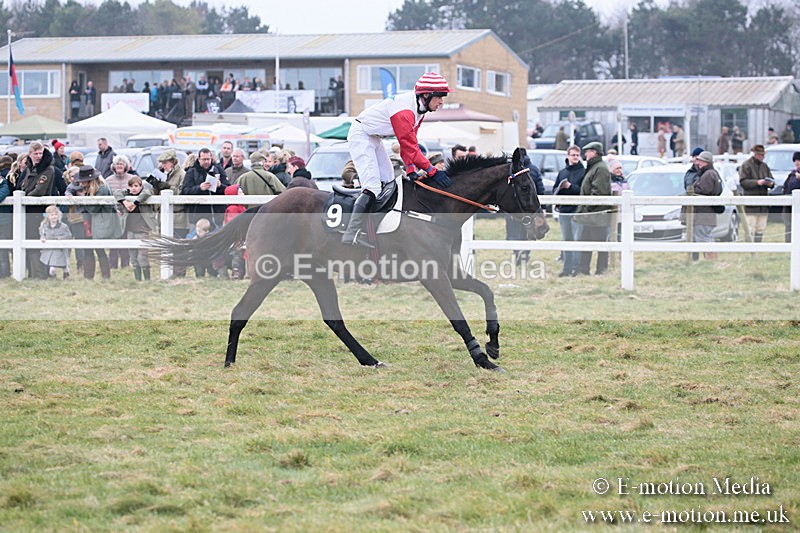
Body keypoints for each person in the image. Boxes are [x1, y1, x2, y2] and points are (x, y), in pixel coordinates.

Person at [342, 72, 452, 247]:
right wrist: (432, 171)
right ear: (426, 95)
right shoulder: (405, 112)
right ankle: (351, 233)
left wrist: (410, 170)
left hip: (374, 137)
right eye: (439, 97)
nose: (441, 102)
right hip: (361, 134)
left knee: (388, 181)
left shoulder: (420, 111)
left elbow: (410, 144)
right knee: (373, 186)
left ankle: (377, 227)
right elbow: (410, 147)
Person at [66, 165, 120, 280]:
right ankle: (88, 277)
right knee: (88, 248)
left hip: (99, 222)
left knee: (99, 249)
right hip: (89, 221)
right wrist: (71, 194)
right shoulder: (91, 188)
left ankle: (105, 276)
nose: (80, 183)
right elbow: (71, 188)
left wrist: (81, 200)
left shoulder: (101, 189)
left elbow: (93, 209)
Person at [17, 142, 55, 279]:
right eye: (36, 153)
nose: (39, 156)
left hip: (38, 211)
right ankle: (31, 273)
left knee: (38, 241)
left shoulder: (48, 169)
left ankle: (40, 274)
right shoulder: (29, 168)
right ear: (30, 154)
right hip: (26, 211)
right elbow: (21, 186)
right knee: (27, 241)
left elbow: (39, 190)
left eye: (40, 153)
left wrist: (24, 198)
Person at [575, 142, 612, 276]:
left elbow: (599, 192)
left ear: (595, 152)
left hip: (596, 216)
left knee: (600, 244)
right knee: (585, 244)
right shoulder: (594, 167)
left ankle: (601, 271)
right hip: (590, 215)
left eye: (588, 151)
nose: (585, 154)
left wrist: (587, 207)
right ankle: (583, 270)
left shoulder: (600, 168)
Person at [116, 176, 157, 281]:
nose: (133, 188)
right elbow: (117, 192)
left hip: (143, 230)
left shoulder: (144, 195)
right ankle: (137, 280)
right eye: (131, 186)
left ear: (140, 186)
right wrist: (125, 202)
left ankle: (147, 279)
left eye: (136, 186)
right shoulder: (127, 196)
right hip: (130, 230)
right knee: (133, 256)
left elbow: (147, 192)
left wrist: (135, 203)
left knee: (142, 256)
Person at [681, 151, 722, 260]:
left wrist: (689, 193)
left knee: (703, 239)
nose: (697, 163)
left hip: (703, 214)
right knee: (703, 238)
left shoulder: (708, 174)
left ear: (706, 162)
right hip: (704, 214)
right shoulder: (710, 173)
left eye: (700, 161)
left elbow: (701, 191)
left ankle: (711, 262)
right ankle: (710, 262)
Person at [506, 147, 543, 265]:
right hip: (529, 209)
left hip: (514, 209)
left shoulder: (513, 170)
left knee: (513, 233)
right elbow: (540, 190)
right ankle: (525, 255)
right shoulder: (534, 170)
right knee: (527, 233)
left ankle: (517, 254)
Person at [553, 145, 585, 277]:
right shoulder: (562, 173)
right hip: (564, 211)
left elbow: (583, 191)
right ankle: (566, 269)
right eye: (573, 155)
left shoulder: (583, 172)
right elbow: (555, 188)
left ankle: (576, 269)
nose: (575, 157)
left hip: (577, 211)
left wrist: (570, 187)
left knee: (577, 240)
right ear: (568, 156)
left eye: (577, 155)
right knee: (566, 240)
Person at [182, 147, 230, 230]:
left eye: (208, 159)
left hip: (218, 216)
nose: (207, 162)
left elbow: (228, 188)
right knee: (196, 242)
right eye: (204, 159)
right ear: (199, 159)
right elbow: (184, 191)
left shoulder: (218, 169)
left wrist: (220, 186)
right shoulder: (192, 172)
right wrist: (199, 188)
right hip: (198, 218)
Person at [104, 154, 135, 269]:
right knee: (114, 238)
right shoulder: (108, 180)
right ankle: (112, 264)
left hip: (128, 213)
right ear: (114, 166)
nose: (119, 166)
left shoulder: (131, 179)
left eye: (121, 164)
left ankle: (125, 264)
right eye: (117, 164)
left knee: (125, 238)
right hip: (113, 213)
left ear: (126, 165)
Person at [739, 144, 774, 243]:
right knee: (750, 227)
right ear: (755, 154)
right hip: (751, 203)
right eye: (761, 155)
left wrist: (770, 184)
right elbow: (743, 182)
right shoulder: (746, 165)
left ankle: (758, 246)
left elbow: (771, 180)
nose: (762, 157)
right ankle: (750, 248)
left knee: (761, 227)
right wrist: (756, 182)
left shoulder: (765, 166)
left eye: (763, 155)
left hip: (763, 204)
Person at [39, 205, 73, 279]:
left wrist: (62, 238)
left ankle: (66, 275)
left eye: (56, 214)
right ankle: (54, 278)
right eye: (52, 215)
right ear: (48, 216)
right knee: (52, 268)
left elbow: (69, 235)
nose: (54, 216)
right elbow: (42, 233)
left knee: (64, 266)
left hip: (60, 250)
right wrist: (43, 237)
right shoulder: (44, 226)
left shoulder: (63, 226)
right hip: (50, 250)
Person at [783, 151, 800, 243]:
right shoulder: (792, 174)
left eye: (799, 160)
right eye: (795, 160)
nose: (797, 162)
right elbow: (786, 187)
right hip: (789, 206)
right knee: (789, 225)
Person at [0, 156, 12, 278]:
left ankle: (5, 273)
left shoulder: (3, 183)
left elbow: (2, 194)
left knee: (3, 250)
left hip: (4, 221)